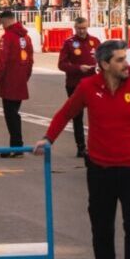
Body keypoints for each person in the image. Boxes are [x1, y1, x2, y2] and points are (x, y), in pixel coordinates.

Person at [34, 40, 130, 259]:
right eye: (119, 60)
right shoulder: (88, 88)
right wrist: (48, 139)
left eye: (125, 58)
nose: (126, 64)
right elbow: (66, 113)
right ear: (104, 64)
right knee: (102, 230)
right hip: (100, 171)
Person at [0, 9, 34, 158]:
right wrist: (25, 77)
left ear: (6, 20)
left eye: (2, 23)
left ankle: (16, 146)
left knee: (11, 115)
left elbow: (2, 62)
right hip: (21, 81)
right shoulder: (26, 37)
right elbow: (30, 61)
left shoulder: (7, 37)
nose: (2, 26)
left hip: (9, 82)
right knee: (14, 113)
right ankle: (16, 145)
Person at [55, 17, 100, 158]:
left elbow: (104, 60)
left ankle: (97, 146)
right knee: (77, 117)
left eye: (84, 28)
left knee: (97, 116)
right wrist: (79, 68)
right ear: (75, 28)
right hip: (75, 85)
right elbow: (61, 65)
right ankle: (81, 147)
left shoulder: (95, 42)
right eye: (79, 28)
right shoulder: (69, 43)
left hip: (94, 84)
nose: (82, 31)